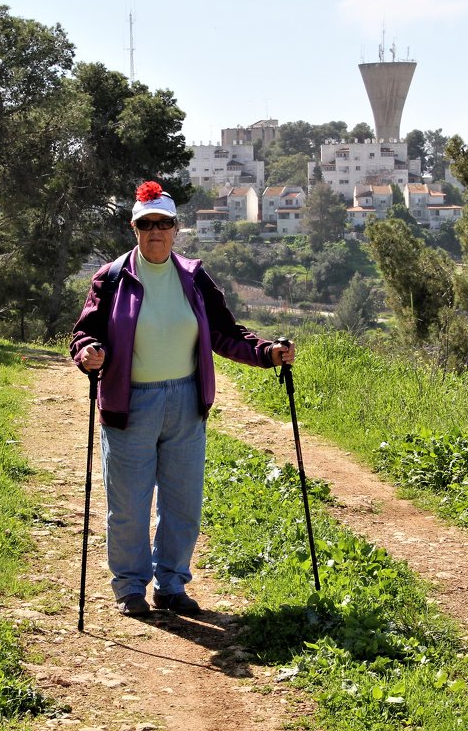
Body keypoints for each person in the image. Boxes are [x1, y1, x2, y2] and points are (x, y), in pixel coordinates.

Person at [71, 180, 294, 618]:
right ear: (135, 228)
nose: (156, 231)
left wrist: (267, 353)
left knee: (182, 504)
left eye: (164, 223)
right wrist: (88, 353)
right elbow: (85, 333)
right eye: (147, 224)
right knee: (129, 506)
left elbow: (227, 334)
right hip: (130, 404)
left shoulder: (193, 276)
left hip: (186, 401)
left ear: (176, 229)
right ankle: (131, 588)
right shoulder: (113, 277)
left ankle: (171, 585)